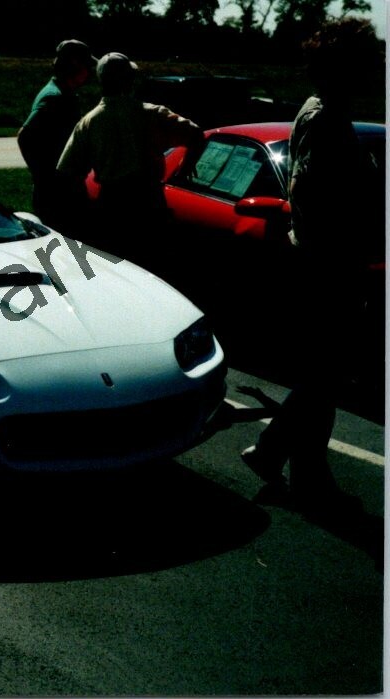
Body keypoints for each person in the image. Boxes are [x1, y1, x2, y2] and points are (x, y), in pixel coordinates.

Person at [239, 18, 382, 515]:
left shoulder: (329, 114)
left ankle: (288, 461)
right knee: (325, 377)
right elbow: (311, 194)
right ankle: (295, 467)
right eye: (371, 60)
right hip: (328, 267)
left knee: (323, 377)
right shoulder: (324, 120)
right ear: (345, 68)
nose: (379, 68)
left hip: (329, 262)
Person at [55, 52, 204, 262]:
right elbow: (196, 135)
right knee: (152, 265)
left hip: (112, 204)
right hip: (148, 202)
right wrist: (184, 169)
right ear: (129, 80)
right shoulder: (152, 114)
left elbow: (67, 170)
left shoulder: (89, 122)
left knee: (117, 267)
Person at [17, 39, 97, 230]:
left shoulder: (63, 93)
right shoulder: (55, 98)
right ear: (75, 65)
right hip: (59, 194)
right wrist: (45, 178)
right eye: (86, 65)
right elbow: (25, 136)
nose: (89, 72)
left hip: (64, 188)